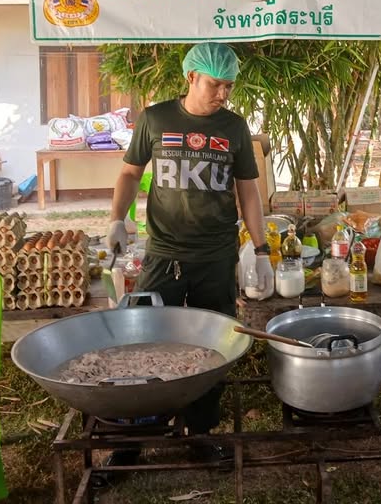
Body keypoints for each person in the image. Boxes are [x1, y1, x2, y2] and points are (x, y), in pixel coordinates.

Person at [106, 42, 269, 459]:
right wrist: (116, 219)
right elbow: (129, 172)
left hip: (216, 256)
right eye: (215, 84)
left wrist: (263, 248)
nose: (223, 94)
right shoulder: (156, 118)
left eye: (229, 86)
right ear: (191, 76)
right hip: (163, 255)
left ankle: (199, 432)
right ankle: (137, 435)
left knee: (213, 346)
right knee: (146, 339)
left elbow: (247, 191)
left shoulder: (234, 127)